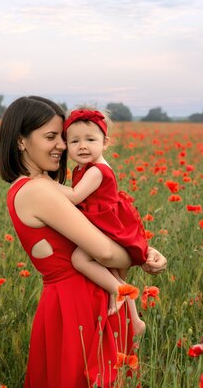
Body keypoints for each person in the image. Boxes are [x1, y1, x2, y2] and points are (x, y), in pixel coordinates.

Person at [0, 96, 167, 388]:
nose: (62, 146)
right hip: (80, 305)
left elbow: (102, 233)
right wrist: (137, 255)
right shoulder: (38, 190)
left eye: (61, 137)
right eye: (51, 137)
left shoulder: (39, 187)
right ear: (21, 141)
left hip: (74, 303)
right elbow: (103, 251)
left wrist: (144, 250)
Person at [56, 107, 148, 335]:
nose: (82, 146)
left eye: (90, 139)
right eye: (74, 141)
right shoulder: (84, 167)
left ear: (105, 142)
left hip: (106, 223)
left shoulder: (97, 171)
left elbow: (76, 196)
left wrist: (43, 184)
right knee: (114, 272)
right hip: (102, 220)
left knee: (80, 258)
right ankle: (135, 322)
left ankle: (117, 291)